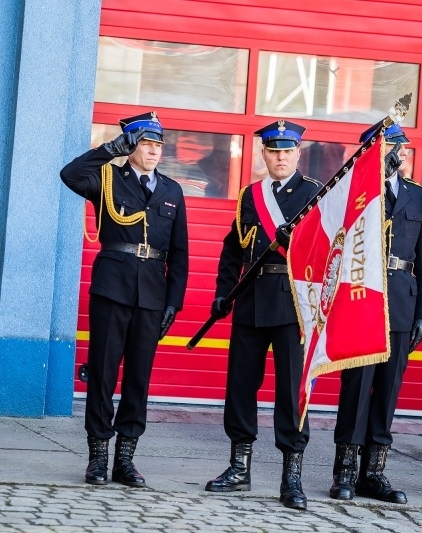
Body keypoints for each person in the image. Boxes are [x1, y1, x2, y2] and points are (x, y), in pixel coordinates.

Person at [60, 111, 189, 486]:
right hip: (112, 289)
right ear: (130, 145)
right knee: (102, 374)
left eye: (157, 144)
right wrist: (109, 150)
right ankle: (98, 457)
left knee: (138, 378)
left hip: (152, 294)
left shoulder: (172, 191)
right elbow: (69, 175)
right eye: (145, 143)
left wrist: (173, 302)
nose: (153, 151)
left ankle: (125, 461)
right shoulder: (107, 179)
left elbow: (180, 253)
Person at [205, 119, 322, 510]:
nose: (280, 158)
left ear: (298, 154)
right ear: (264, 154)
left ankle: (292, 477)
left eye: (287, 151)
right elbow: (232, 249)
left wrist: (297, 242)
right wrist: (223, 292)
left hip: (293, 304)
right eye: (274, 151)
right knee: (240, 387)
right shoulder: (250, 196)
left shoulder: (315, 194)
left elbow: (327, 252)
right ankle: (239, 468)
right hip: (251, 300)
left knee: (291, 392)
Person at [329, 123, 422, 504]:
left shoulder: (415, 195)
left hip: (402, 300)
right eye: (394, 146)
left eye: (403, 146)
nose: (402, 152)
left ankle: (373, 473)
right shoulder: (354, 191)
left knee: (388, 389)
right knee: (357, 388)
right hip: (362, 299)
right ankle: (345, 471)